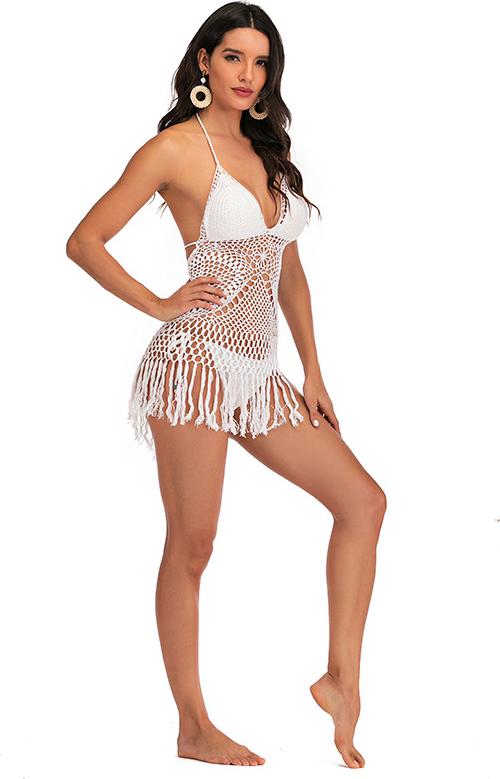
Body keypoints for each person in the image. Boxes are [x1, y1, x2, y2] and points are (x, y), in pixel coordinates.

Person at [66, 2, 386, 770]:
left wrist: (313, 369)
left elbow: (288, 269)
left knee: (363, 501)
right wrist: (160, 302)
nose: (249, 74)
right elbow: (84, 240)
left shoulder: (268, 154)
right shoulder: (176, 149)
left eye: (261, 61)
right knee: (194, 543)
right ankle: (193, 726)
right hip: (195, 364)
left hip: (259, 372)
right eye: (235, 57)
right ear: (204, 61)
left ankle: (342, 681)